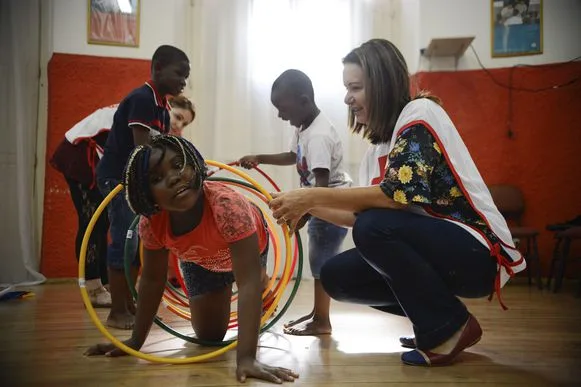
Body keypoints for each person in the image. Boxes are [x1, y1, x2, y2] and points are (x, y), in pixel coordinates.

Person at [268, 38, 527, 366]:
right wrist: (303, 206)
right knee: (336, 276)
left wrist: (311, 194)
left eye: (355, 87)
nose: (347, 98)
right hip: (440, 251)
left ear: (383, 84)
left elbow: (394, 201)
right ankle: (432, 320)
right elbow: (362, 218)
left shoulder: (420, 113)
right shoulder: (375, 151)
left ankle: (447, 327)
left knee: (374, 226)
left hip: (478, 251)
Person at [85, 135, 299, 384]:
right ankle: (227, 282)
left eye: (178, 165)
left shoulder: (227, 206)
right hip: (199, 260)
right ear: (147, 194)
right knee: (209, 334)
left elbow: (247, 283)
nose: (173, 177)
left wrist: (246, 359)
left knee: (250, 279)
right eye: (156, 178)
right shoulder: (151, 223)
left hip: (245, 246)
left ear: (195, 164)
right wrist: (135, 342)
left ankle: (263, 279)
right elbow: (153, 281)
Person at [238, 69, 350, 336]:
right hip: (318, 206)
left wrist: (303, 214)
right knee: (317, 262)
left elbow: (321, 187)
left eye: (282, 108)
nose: (279, 115)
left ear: (303, 101)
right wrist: (259, 157)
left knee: (321, 264)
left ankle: (322, 321)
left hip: (329, 209)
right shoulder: (304, 126)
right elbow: (292, 155)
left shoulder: (319, 135)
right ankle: (318, 312)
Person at [96, 45, 190, 329]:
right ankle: (116, 311)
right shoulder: (142, 99)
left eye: (186, 78)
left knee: (133, 242)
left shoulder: (162, 105)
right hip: (118, 180)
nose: (183, 82)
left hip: (135, 182)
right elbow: (143, 149)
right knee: (124, 241)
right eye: (179, 74)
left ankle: (128, 303)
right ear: (158, 67)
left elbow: (159, 147)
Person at [50, 105, 116, 307]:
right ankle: (93, 287)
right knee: (90, 223)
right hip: (80, 156)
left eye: (184, 123)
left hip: (93, 157)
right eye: (179, 117)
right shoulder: (145, 109)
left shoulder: (151, 113)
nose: (179, 124)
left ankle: (103, 283)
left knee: (102, 222)